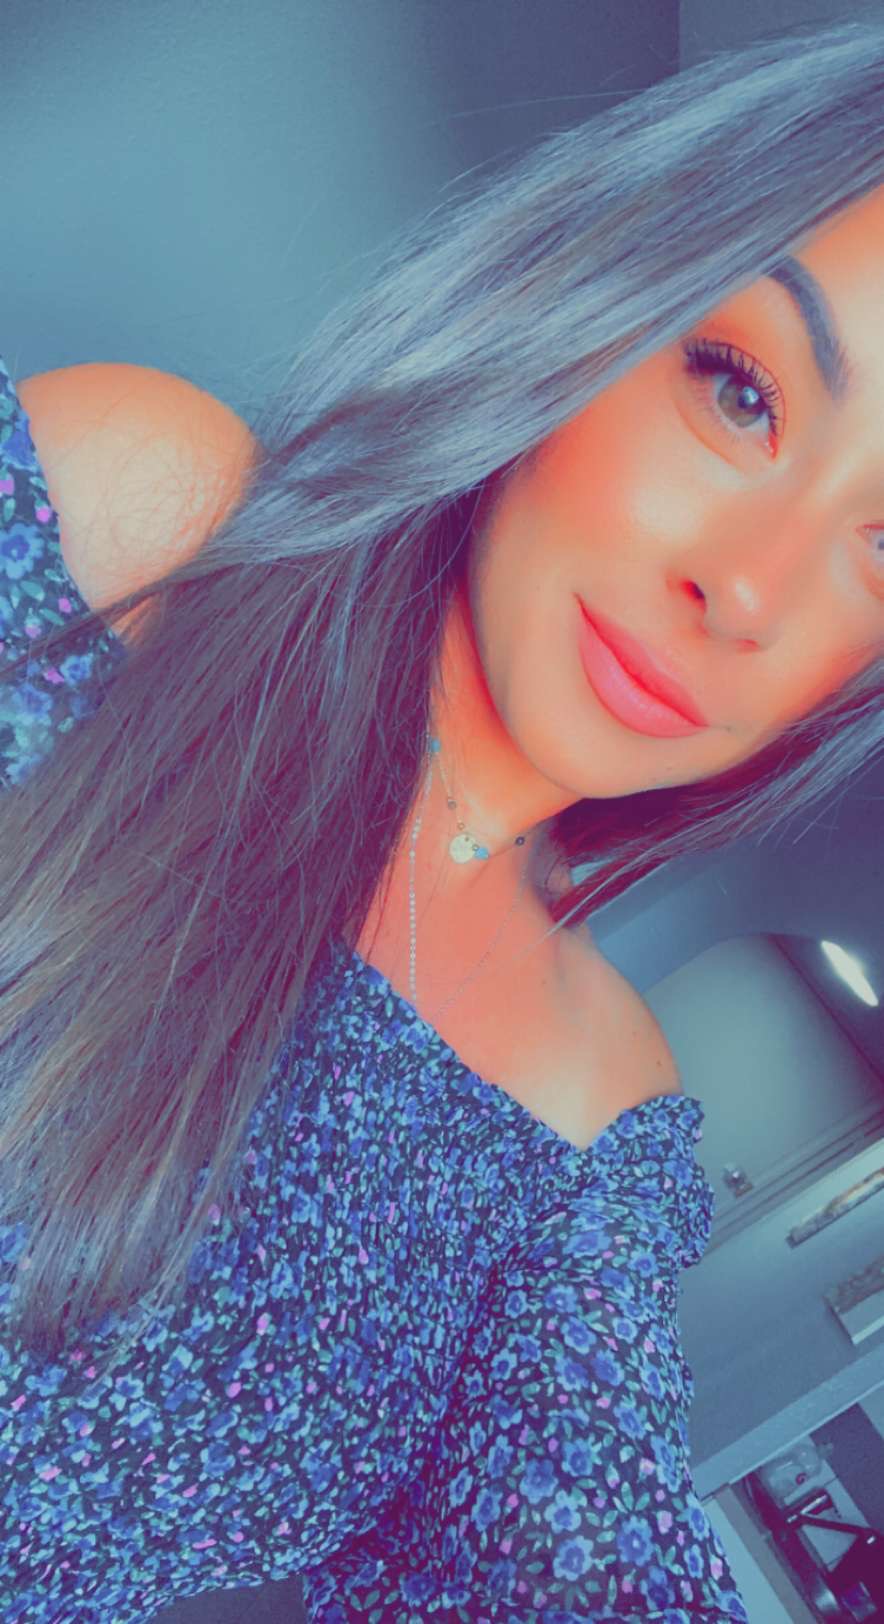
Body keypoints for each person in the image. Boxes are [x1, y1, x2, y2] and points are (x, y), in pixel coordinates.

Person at [0, 15, 882, 1622]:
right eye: (743, 391)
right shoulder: (141, 529)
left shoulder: (601, 1105)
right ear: (603, 296)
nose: (748, 587)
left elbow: (588, 1556)